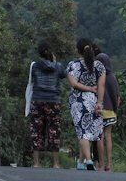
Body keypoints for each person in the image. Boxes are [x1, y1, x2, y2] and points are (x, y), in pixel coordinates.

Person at [66, 37, 105, 171]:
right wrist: (99, 102)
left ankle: (88, 160)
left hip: (78, 101)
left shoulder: (72, 65)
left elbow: (73, 84)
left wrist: (87, 89)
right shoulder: (99, 66)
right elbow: (101, 85)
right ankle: (81, 162)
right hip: (94, 101)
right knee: (90, 131)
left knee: (82, 131)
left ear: (78, 50)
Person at [27, 40, 66, 168]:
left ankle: (36, 163)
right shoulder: (58, 66)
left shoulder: (35, 66)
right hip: (54, 101)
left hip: (37, 100)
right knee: (54, 130)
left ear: (40, 53)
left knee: (36, 130)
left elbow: (32, 79)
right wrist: (54, 61)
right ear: (50, 52)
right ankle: (55, 163)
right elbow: (63, 75)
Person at [93, 45, 121, 172]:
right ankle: (109, 164)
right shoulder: (113, 78)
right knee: (108, 135)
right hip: (111, 111)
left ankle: (100, 164)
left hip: (100, 110)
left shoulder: (98, 77)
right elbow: (118, 97)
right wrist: (115, 110)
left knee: (100, 136)